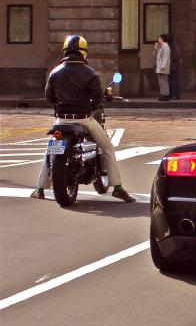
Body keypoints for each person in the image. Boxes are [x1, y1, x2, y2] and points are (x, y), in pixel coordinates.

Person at [30, 35, 135, 202]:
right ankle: (117, 187)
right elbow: (98, 99)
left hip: (61, 120)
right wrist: (91, 107)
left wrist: (60, 106)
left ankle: (40, 188)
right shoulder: (90, 74)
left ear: (65, 51)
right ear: (83, 52)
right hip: (84, 119)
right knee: (107, 148)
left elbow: (49, 97)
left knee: (50, 151)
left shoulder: (55, 73)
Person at [154, 34, 171, 101]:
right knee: (161, 81)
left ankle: (165, 95)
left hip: (163, 67)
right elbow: (155, 55)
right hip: (159, 66)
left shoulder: (166, 46)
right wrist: (156, 48)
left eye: (159, 38)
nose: (158, 40)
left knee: (164, 81)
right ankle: (162, 94)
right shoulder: (160, 46)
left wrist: (163, 65)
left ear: (162, 39)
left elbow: (166, 56)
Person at [167, 34, 182, 99]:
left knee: (174, 80)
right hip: (175, 65)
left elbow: (174, 56)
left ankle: (175, 94)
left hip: (174, 66)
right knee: (174, 80)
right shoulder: (174, 45)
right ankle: (174, 94)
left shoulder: (172, 46)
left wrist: (170, 62)